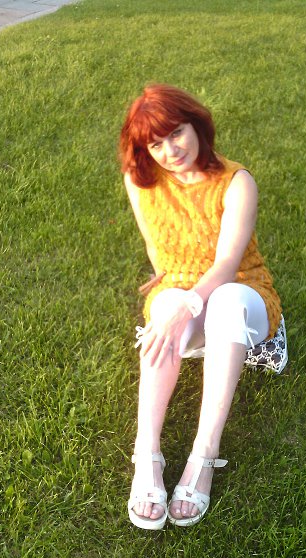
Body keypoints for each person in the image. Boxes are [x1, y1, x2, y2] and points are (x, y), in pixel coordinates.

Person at [119, 84, 283, 529]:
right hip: (180, 284)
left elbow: (228, 264)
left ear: (197, 126)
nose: (170, 151)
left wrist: (187, 305)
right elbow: (154, 243)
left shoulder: (236, 181)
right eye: (156, 144)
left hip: (242, 288)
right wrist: (171, 291)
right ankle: (147, 455)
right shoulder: (140, 180)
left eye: (177, 134)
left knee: (223, 302)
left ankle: (204, 455)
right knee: (166, 305)